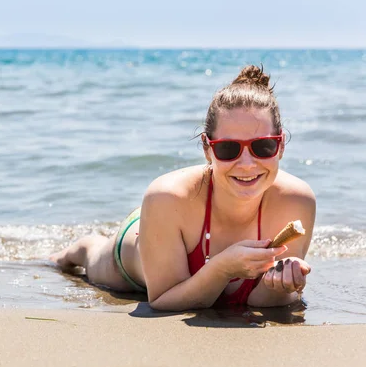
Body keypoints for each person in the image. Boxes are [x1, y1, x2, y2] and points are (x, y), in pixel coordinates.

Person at [50, 65, 316, 311]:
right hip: (148, 236)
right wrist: (223, 267)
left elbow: (260, 301)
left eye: (262, 146)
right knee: (94, 257)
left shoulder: (296, 201)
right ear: (207, 148)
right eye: (228, 148)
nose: (246, 164)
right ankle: (75, 249)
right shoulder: (167, 196)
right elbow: (162, 300)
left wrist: (281, 287)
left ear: (280, 146)